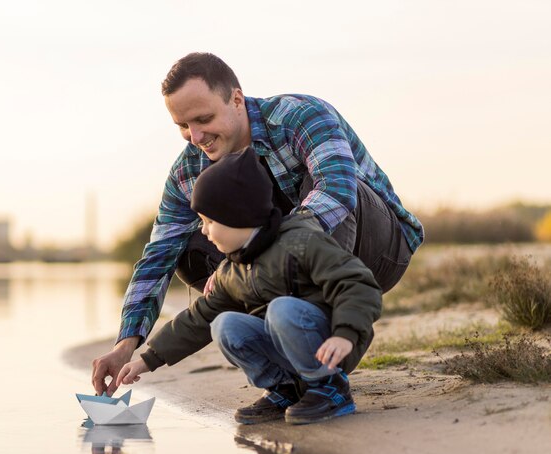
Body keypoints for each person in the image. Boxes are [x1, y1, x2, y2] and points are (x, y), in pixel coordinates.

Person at [92, 52, 422, 396]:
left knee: (325, 189)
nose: (196, 136)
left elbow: (337, 192)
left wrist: (261, 257)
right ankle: (285, 375)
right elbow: (158, 255)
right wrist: (126, 344)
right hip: (287, 273)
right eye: (182, 126)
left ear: (236, 99)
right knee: (190, 249)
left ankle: (326, 368)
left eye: (204, 119)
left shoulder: (301, 116)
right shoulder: (187, 171)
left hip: (378, 248)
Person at [115, 147, 382, 425]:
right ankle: (286, 389)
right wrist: (147, 360)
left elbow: (357, 283)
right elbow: (197, 320)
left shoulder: (301, 240)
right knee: (224, 324)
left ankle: (330, 388)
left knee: (281, 310)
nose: (203, 231)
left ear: (237, 217)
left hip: (333, 344)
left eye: (208, 222)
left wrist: (345, 334)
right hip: (288, 345)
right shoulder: (233, 269)